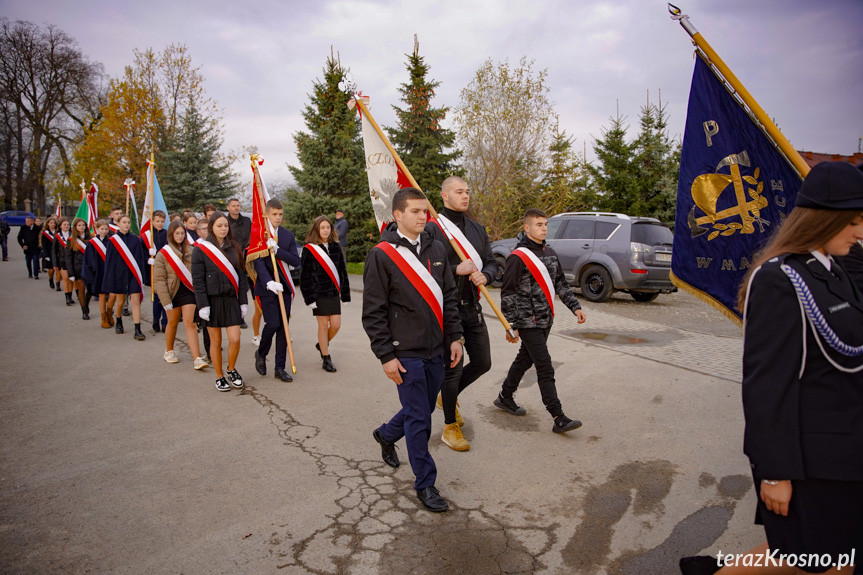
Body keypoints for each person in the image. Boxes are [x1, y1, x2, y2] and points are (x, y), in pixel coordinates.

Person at [681, 162, 863, 575]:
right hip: (813, 458)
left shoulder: (836, 271)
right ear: (824, 219)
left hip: (845, 448)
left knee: (821, 556)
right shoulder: (780, 279)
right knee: (823, 560)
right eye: (852, 221)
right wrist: (776, 472)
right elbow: (767, 385)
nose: (860, 232)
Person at [363, 187, 463, 513]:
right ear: (397, 215)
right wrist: (386, 356)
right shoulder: (382, 255)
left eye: (425, 212)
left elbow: (449, 297)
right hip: (404, 352)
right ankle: (426, 484)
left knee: (419, 407)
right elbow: (373, 312)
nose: (423, 217)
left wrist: (455, 337)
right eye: (416, 212)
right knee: (420, 416)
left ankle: (386, 434)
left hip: (437, 348)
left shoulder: (436, 248)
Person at [495, 208, 586, 434]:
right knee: (544, 366)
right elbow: (508, 292)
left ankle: (505, 396)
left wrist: (576, 307)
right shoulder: (518, 257)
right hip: (527, 321)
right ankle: (558, 417)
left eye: (545, 224)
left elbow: (561, 284)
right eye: (538, 225)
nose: (544, 228)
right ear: (527, 228)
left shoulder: (550, 253)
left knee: (525, 359)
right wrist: (511, 324)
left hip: (546, 319)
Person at [424, 176, 498, 451]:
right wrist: (456, 270)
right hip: (447, 308)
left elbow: (491, 262)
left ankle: (447, 395)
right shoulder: (433, 229)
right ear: (444, 196)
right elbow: (427, 266)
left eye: (467, 192)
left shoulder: (477, 229)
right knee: (453, 368)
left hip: (473, 306)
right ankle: (449, 426)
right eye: (459, 192)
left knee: (483, 362)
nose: (465, 196)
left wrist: (486, 276)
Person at [192, 212, 248, 392]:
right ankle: (219, 376)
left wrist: (243, 301)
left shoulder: (235, 247)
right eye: (219, 226)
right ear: (211, 228)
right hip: (211, 301)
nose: (223, 229)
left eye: (225, 225)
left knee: (235, 338)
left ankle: (231, 369)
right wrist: (202, 305)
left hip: (231, 299)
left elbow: (241, 276)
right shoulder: (201, 249)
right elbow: (198, 280)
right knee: (215, 342)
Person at [252, 199, 300, 382]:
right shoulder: (259, 235)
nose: (278, 218)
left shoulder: (287, 236)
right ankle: (261, 353)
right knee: (273, 324)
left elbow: (295, 261)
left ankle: (280, 367)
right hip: (268, 288)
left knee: (284, 328)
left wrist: (278, 250)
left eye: (280, 214)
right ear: (266, 214)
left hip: (285, 287)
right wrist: (269, 282)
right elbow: (258, 262)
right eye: (274, 214)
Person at [153, 220, 207, 370]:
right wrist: (165, 300)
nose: (180, 236)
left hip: (188, 292)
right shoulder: (163, 254)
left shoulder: (191, 250)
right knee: (172, 323)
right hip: (171, 293)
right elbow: (159, 279)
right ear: (171, 234)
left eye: (182, 233)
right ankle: (169, 350)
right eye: (177, 233)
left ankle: (197, 358)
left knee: (190, 323)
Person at [301, 215, 350, 372]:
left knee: (335, 325)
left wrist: (345, 293)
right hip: (318, 293)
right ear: (317, 229)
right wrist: (309, 297)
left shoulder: (335, 246)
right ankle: (326, 358)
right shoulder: (309, 249)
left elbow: (342, 271)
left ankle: (321, 344)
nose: (325, 230)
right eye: (322, 227)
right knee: (323, 325)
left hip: (333, 292)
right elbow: (305, 275)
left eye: (328, 227)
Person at [102, 214, 148, 340]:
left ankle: (137, 329)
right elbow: (110, 261)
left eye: (128, 222)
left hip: (133, 274)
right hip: (119, 274)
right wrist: (110, 278)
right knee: (121, 301)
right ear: (118, 224)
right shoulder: (113, 240)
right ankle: (118, 321)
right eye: (124, 222)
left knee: (135, 301)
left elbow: (139, 258)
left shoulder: (135, 239)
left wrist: (142, 276)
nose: (127, 224)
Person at [82, 220, 113, 328]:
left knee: (113, 294)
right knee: (102, 295)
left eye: (106, 229)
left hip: (109, 271)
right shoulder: (92, 243)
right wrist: (91, 273)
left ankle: (109, 312)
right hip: (99, 272)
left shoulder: (111, 242)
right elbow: (88, 259)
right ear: (97, 229)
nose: (104, 231)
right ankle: (103, 317)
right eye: (102, 229)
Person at [227, 198, 252, 329]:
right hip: (231, 258)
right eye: (233, 206)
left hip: (245, 257)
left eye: (238, 205)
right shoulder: (225, 222)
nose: (236, 208)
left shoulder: (247, 221)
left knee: (243, 288)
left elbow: (250, 237)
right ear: (228, 208)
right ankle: (232, 315)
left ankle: (241, 317)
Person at [65, 217, 92, 321]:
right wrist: (70, 273)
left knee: (90, 290)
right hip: (78, 268)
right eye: (79, 225)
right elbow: (68, 258)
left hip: (89, 268)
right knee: (81, 290)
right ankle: (84, 310)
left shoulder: (90, 238)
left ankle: (86, 303)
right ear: (75, 227)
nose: (82, 227)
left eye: (83, 225)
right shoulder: (71, 240)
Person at [148, 210, 169, 333]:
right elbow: (141, 253)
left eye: (162, 221)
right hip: (153, 269)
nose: (160, 224)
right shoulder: (148, 235)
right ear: (152, 221)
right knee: (156, 297)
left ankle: (165, 322)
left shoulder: (167, 234)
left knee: (166, 295)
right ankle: (156, 318)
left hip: (166, 268)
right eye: (157, 221)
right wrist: (148, 258)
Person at [54, 218, 72, 301]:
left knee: (71, 278)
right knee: (65, 278)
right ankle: (67, 297)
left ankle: (70, 295)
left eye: (68, 224)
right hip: (62, 260)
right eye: (64, 224)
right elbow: (54, 251)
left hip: (72, 260)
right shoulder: (57, 236)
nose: (66, 226)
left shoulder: (73, 235)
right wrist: (54, 263)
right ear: (60, 226)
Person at [40, 217, 58, 288]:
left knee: (58, 269)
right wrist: (46, 255)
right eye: (51, 223)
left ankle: (58, 282)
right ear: (48, 224)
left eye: (54, 223)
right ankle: (51, 279)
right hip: (49, 252)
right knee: (51, 269)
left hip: (57, 252)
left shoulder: (57, 232)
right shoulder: (45, 233)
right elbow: (44, 245)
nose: (53, 224)